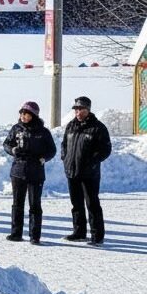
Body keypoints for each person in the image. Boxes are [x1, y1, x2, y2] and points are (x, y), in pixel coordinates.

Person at [3, 101, 56, 244]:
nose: (23, 116)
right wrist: (12, 150)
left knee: (35, 205)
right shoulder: (16, 129)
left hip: (36, 172)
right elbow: (6, 144)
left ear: (33, 115)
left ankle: (35, 236)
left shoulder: (43, 132)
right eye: (21, 113)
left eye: (26, 114)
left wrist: (44, 158)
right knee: (17, 204)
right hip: (18, 171)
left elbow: (52, 150)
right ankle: (16, 233)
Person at [61, 96, 112, 245]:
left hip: (89, 174)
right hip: (72, 172)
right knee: (76, 204)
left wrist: (92, 161)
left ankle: (97, 235)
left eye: (81, 109)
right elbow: (64, 144)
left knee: (92, 204)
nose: (78, 112)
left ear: (88, 110)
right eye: (76, 109)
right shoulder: (71, 125)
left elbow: (105, 149)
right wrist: (65, 158)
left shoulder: (98, 127)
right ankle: (79, 232)